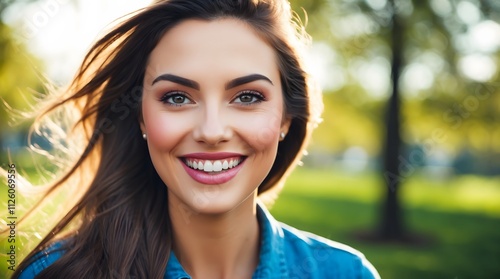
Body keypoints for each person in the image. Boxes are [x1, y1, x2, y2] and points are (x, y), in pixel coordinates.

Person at [11, 0, 380, 278]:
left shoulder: (346, 273)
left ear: (286, 117)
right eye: (177, 97)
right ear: (140, 115)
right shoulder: (56, 272)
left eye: (248, 97)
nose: (211, 131)